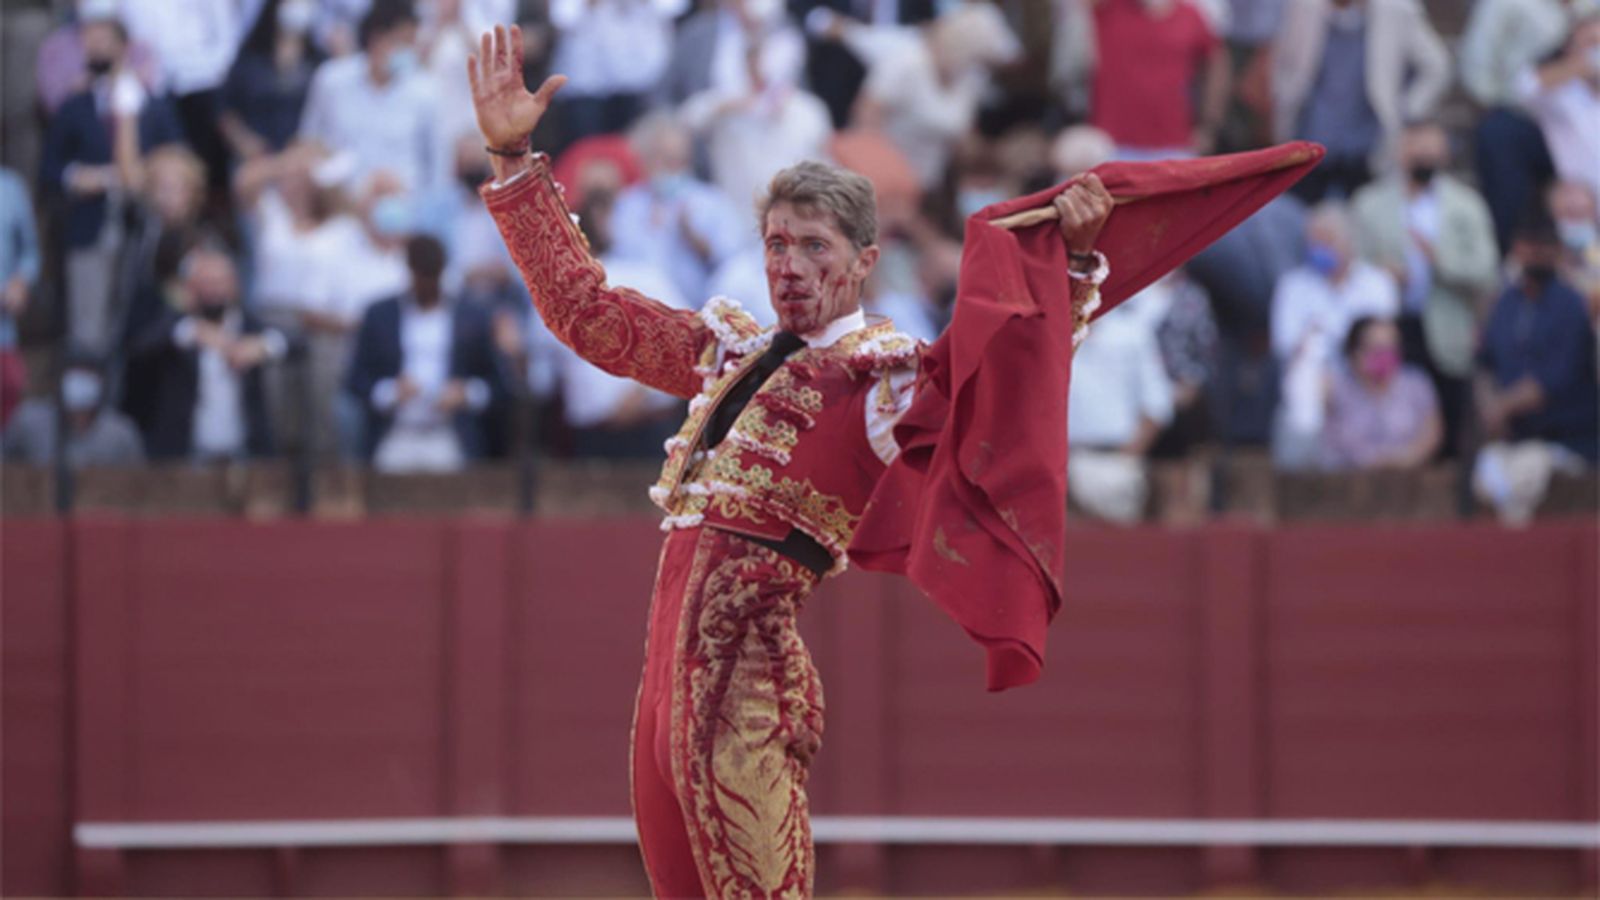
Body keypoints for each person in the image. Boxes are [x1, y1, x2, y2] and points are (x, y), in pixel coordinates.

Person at [466, 24, 1315, 897]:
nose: (787, 267)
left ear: (866, 260)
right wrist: (512, 155)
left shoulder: (882, 381)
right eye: (775, 245)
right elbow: (585, 312)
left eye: (814, 248)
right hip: (663, 700)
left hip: (744, 697)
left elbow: (996, 381)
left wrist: (1074, 270)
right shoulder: (729, 352)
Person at [1350, 120, 1499, 458]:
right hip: (1391, 327)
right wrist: (1381, 272)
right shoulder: (1370, 203)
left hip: (1447, 328)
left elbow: (1487, 269)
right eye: (1415, 151)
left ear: (1445, 154)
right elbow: (1353, 265)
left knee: (1450, 424)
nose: (1423, 160)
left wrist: (1441, 261)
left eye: (1431, 152)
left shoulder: (1466, 205)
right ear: (1401, 152)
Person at [39, 11, 183, 357]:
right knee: (87, 329)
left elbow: (179, 156)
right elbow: (49, 169)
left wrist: (146, 176)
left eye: (104, 41)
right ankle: (86, 404)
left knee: (137, 320)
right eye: (90, 43)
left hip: (143, 227)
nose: (97, 49)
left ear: (124, 46)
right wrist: (80, 176)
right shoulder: (75, 106)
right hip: (91, 225)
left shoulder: (152, 104)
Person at [344, 235, 509, 472]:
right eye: (421, 276)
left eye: (433, 277)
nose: (427, 284)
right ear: (409, 271)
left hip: (449, 435)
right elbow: (354, 380)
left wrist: (466, 394)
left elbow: (500, 385)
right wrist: (390, 392)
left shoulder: (471, 316)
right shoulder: (379, 315)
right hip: (395, 434)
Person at [1473, 216, 1600, 522]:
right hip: (1513, 437)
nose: (1534, 257)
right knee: (1486, 476)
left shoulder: (1571, 305)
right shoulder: (1505, 304)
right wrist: (1490, 407)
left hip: (1565, 437)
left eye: (1542, 249)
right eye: (1528, 249)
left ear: (1556, 252)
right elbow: (1484, 364)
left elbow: (1556, 378)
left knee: (1525, 474)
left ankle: (1518, 555)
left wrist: (1502, 406)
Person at [1271, 0, 1451, 202]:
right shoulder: (1303, 7)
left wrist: (1406, 111)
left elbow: (1436, 66)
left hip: (1367, 148)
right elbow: (1281, 65)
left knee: (1364, 218)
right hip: (1308, 144)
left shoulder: (1397, 9)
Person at [123, 245, 286, 462]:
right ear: (192, 287)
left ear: (234, 285)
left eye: (220, 282)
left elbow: (294, 341)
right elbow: (138, 350)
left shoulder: (248, 325)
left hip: (243, 453)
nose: (214, 291)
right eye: (207, 283)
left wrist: (263, 347)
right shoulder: (174, 324)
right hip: (187, 454)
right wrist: (191, 331)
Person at [1270, 201, 1399, 467]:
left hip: (1368, 382)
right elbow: (1284, 345)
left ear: (1347, 243)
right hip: (1315, 386)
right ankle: (1301, 471)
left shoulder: (1377, 284)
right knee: (1306, 375)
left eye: (1325, 242)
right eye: (1313, 242)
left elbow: (1385, 343)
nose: (1318, 250)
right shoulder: (1293, 286)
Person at [297, 0, 442, 195]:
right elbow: (310, 142)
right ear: (376, 38)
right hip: (340, 205)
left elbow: (437, 169)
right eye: (402, 42)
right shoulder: (331, 80)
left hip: (402, 208)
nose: (408, 52)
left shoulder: (426, 92)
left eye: (412, 44)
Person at [1089, 0, 1231, 159]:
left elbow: (1217, 65)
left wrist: (1209, 125)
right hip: (1112, 146)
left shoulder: (1190, 16)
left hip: (1175, 145)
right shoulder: (1109, 9)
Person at [1322, 315, 1441, 469]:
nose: (1385, 355)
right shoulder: (1336, 388)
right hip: (1351, 480)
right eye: (1377, 349)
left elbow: (1432, 433)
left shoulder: (1416, 383)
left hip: (1410, 478)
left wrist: (1402, 459)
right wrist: (1373, 460)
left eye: (1391, 348)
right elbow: (1332, 440)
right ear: (1354, 353)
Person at [219, 0, 324, 162]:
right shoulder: (251, 57)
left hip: (302, 159)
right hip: (258, 158)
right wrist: (244, 142)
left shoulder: (317, 59)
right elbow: (224, 107)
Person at [1517, 13, 1600, 213]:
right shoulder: (1562, 95)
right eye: (1591, 43)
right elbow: (1525, 86)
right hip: (1581, 210)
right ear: (1570, 48)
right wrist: (1581, 65)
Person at [2, 354, 145, 468]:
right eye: (73, 376)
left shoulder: (120, 433)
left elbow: (138, 483)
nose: (80, 384)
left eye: (87, 376)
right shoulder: (28, 421)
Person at [0, 167, 41, 426]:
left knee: (10, 388)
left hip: (3, 328)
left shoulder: (11, 187)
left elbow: (30, 253)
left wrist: (20, 283)